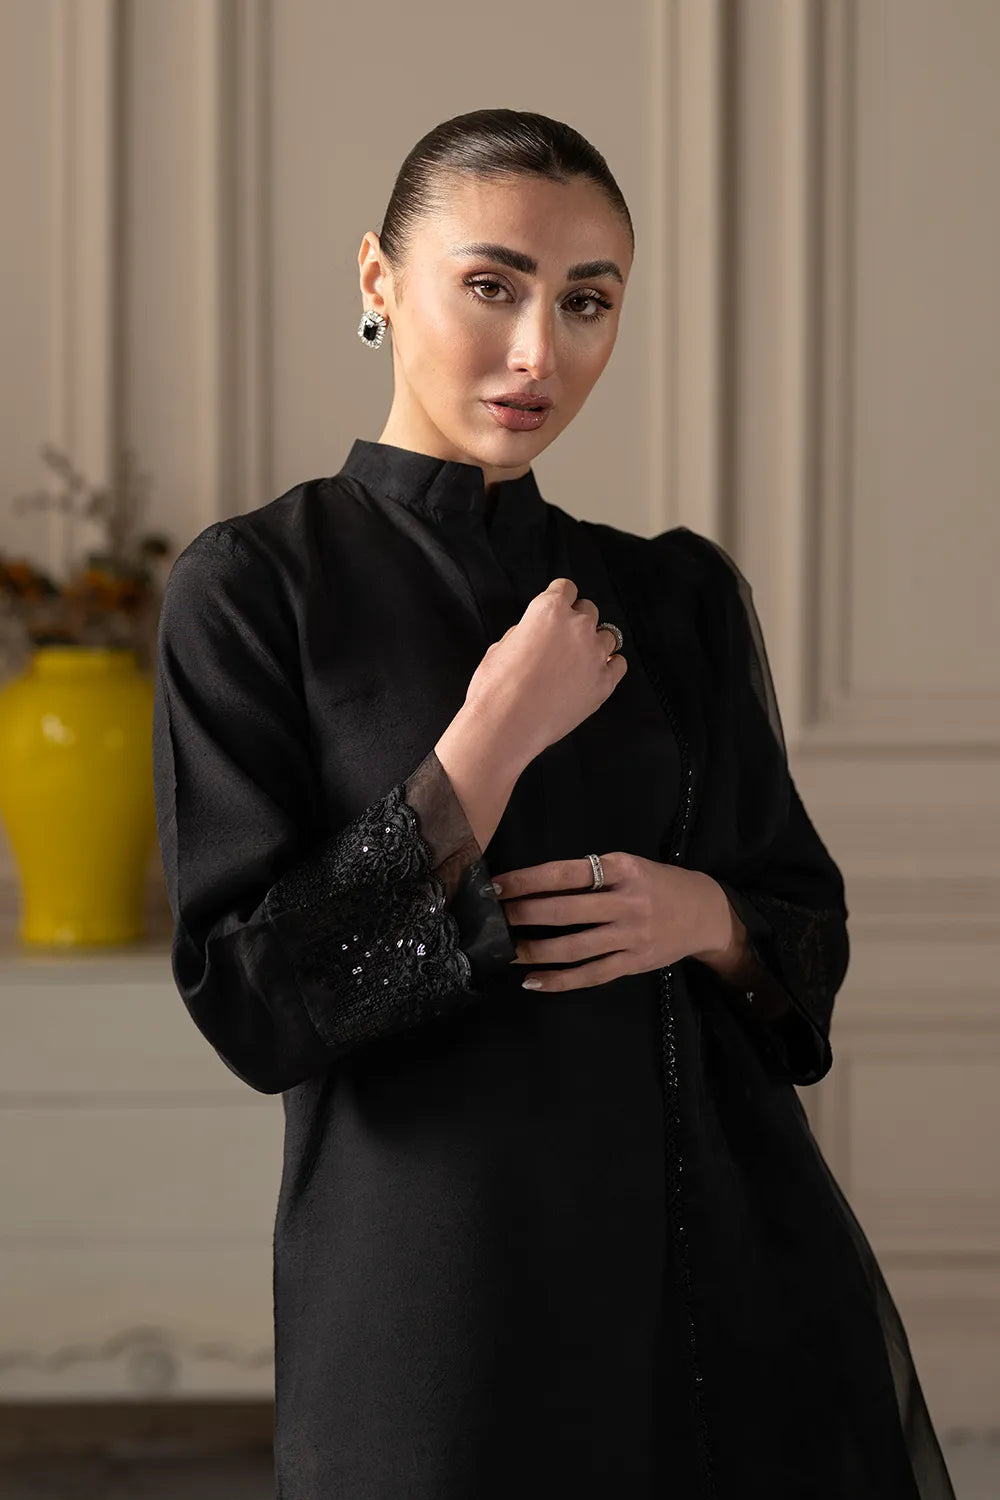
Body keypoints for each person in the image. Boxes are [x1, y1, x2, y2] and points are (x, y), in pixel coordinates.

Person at [152, 109, 956, 1500]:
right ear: (377, 277)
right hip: (429, 1282)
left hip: (703, 1261)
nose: (540, 351)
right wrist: (487, 743)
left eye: (587, 301)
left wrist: (702, 915)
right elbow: (253, 1003)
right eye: (493, 285)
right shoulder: (255, 588)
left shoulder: (673, 597)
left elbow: (803, 933)